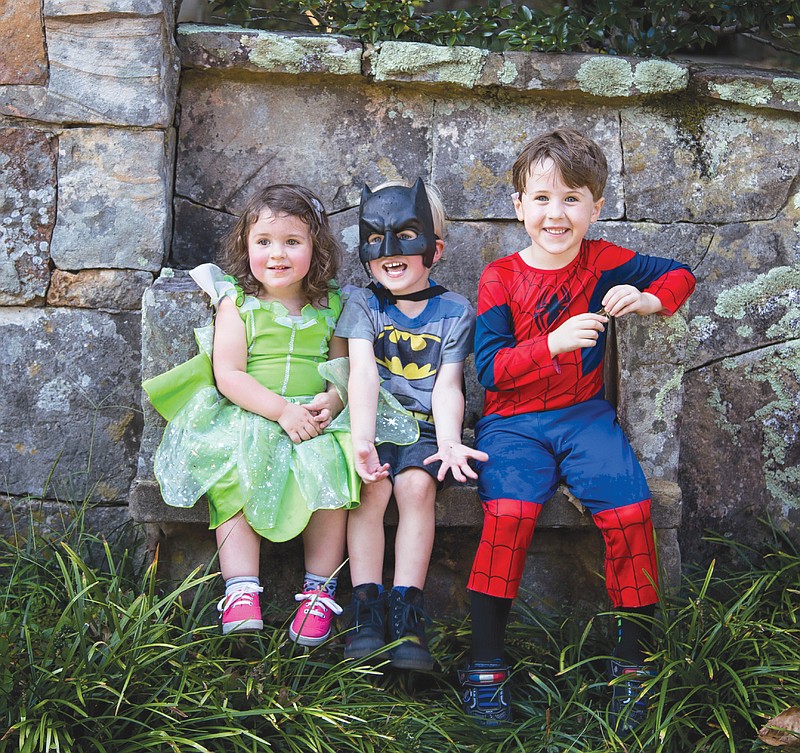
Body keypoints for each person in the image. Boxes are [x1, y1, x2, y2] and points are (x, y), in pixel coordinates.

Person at [460, 129, 696, 727]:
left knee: (630, 513)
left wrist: (646, 299)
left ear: (595, 207)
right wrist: (552, 344)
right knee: (509, 515)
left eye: (571, 199)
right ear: (518, 206)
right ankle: (485, 667)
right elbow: (489, 368)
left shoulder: (605, 259)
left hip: (585, 418)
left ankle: (634, 668)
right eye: (540, 199)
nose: (555, 213)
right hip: (512, 424)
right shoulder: (501, 277)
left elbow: (679, 273)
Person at [144, 184, 415, 645]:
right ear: (245, 246)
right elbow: (228, 374)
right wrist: (280, 411)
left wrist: (332, 401)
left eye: (293, 242)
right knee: (232, 470)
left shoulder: (332, 303)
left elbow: (340, 370)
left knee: (333, 468)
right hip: (251, 412)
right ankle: (241, 589)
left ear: (317, 248)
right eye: (264, 242)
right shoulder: (239, 302)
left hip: (313, 418)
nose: (277, 254)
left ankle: (319, 591)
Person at [335, 179, 486, 670]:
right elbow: (360, 373)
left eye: (405, 237)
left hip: (423, 429)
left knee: (417, 488)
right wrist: (362, 442)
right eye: (376, 240)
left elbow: (448, 385)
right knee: (372, 489)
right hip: (372, 422)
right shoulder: (362, 303)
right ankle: (365, 607)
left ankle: (407, 610)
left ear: (434, 249)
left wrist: (447, 441)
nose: (389, 253)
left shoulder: (455, 311)